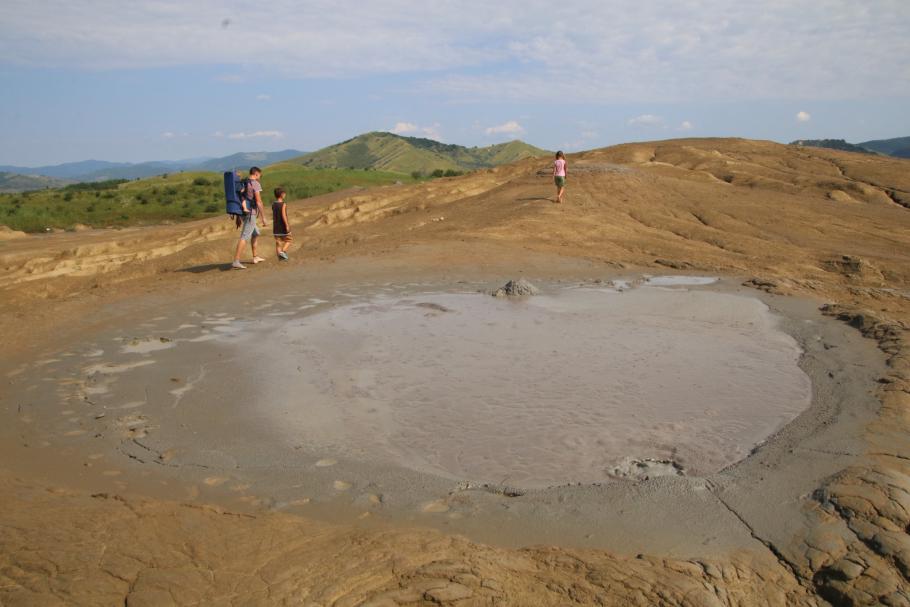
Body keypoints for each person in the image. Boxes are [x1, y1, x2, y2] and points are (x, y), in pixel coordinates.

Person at [231, 166, 267, 269]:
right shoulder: (255, 183)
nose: (260, 177)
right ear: (256, 173)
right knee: (245, 236)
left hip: (243, 212)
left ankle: (255, 257)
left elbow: (240, 198)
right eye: (260, 175)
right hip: (251, 213)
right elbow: (259, 202)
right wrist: (263, 217)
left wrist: (238, 217)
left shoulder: (244, 182)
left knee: (255, 233)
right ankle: (236, 261)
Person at [271, 187, 292, 261]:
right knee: (289, 240)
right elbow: (283, 215)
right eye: (284, 193)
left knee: (278, 242)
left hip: (275, 226)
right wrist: (287, 225)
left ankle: (280, 258)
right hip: (282, 226)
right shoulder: (283, 204)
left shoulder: (273, 204)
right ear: (282, 194)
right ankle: (282, 252)